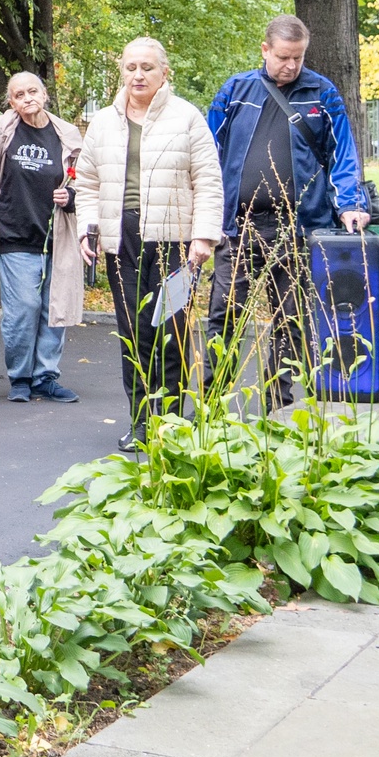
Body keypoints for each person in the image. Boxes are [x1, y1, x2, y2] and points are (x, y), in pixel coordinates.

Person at [203, 14, 369, 405]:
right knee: (224, 316)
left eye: (298, 57)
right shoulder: (236, 90)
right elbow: (208, 153)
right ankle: (212, 404)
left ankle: (278, 402)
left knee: (290, 320)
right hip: (238, 227)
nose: (291, 66)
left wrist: (350, 204)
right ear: (265, 50)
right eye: (283, 57)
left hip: (296, 227)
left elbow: (342, 154)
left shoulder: (322, 93)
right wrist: (205, 215)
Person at [74, 38, 222, 452]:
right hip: (122, 238)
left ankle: (170, 422)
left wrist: (203, 236)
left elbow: (208, 180)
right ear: (122, 71)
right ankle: (141, 421)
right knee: (133, 333)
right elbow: (86, 183)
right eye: (131, 67)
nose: (138, 75)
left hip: (174, 240)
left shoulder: (187, 117)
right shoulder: (103, 122)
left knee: (171, 333)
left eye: (147, 68)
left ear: (164, 72)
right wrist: (88, 227)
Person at [0, 72, 82, 403]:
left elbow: (86, 179)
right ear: (11, 102)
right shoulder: (3, 129)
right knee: (24, 309)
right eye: (19, 94)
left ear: (44, 95)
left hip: (57, 233)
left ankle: (45, 376)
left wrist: (71, 196)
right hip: (14, 230)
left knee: (54, 307)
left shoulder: (67, 134)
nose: (28, 98)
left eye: (33, 91)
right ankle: (20, 376)